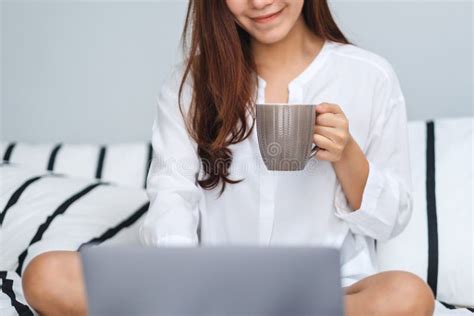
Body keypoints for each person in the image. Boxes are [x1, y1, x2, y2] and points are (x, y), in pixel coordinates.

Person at [22, 1, 435, 315]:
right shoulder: (190, 85)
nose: (260, 2)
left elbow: (392, 218)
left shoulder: (369, 77)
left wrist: (346, 156)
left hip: (322, 293)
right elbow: (172, 194)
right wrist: (183, 280)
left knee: (410, 295)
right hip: (208, 288)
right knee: (45, 274)